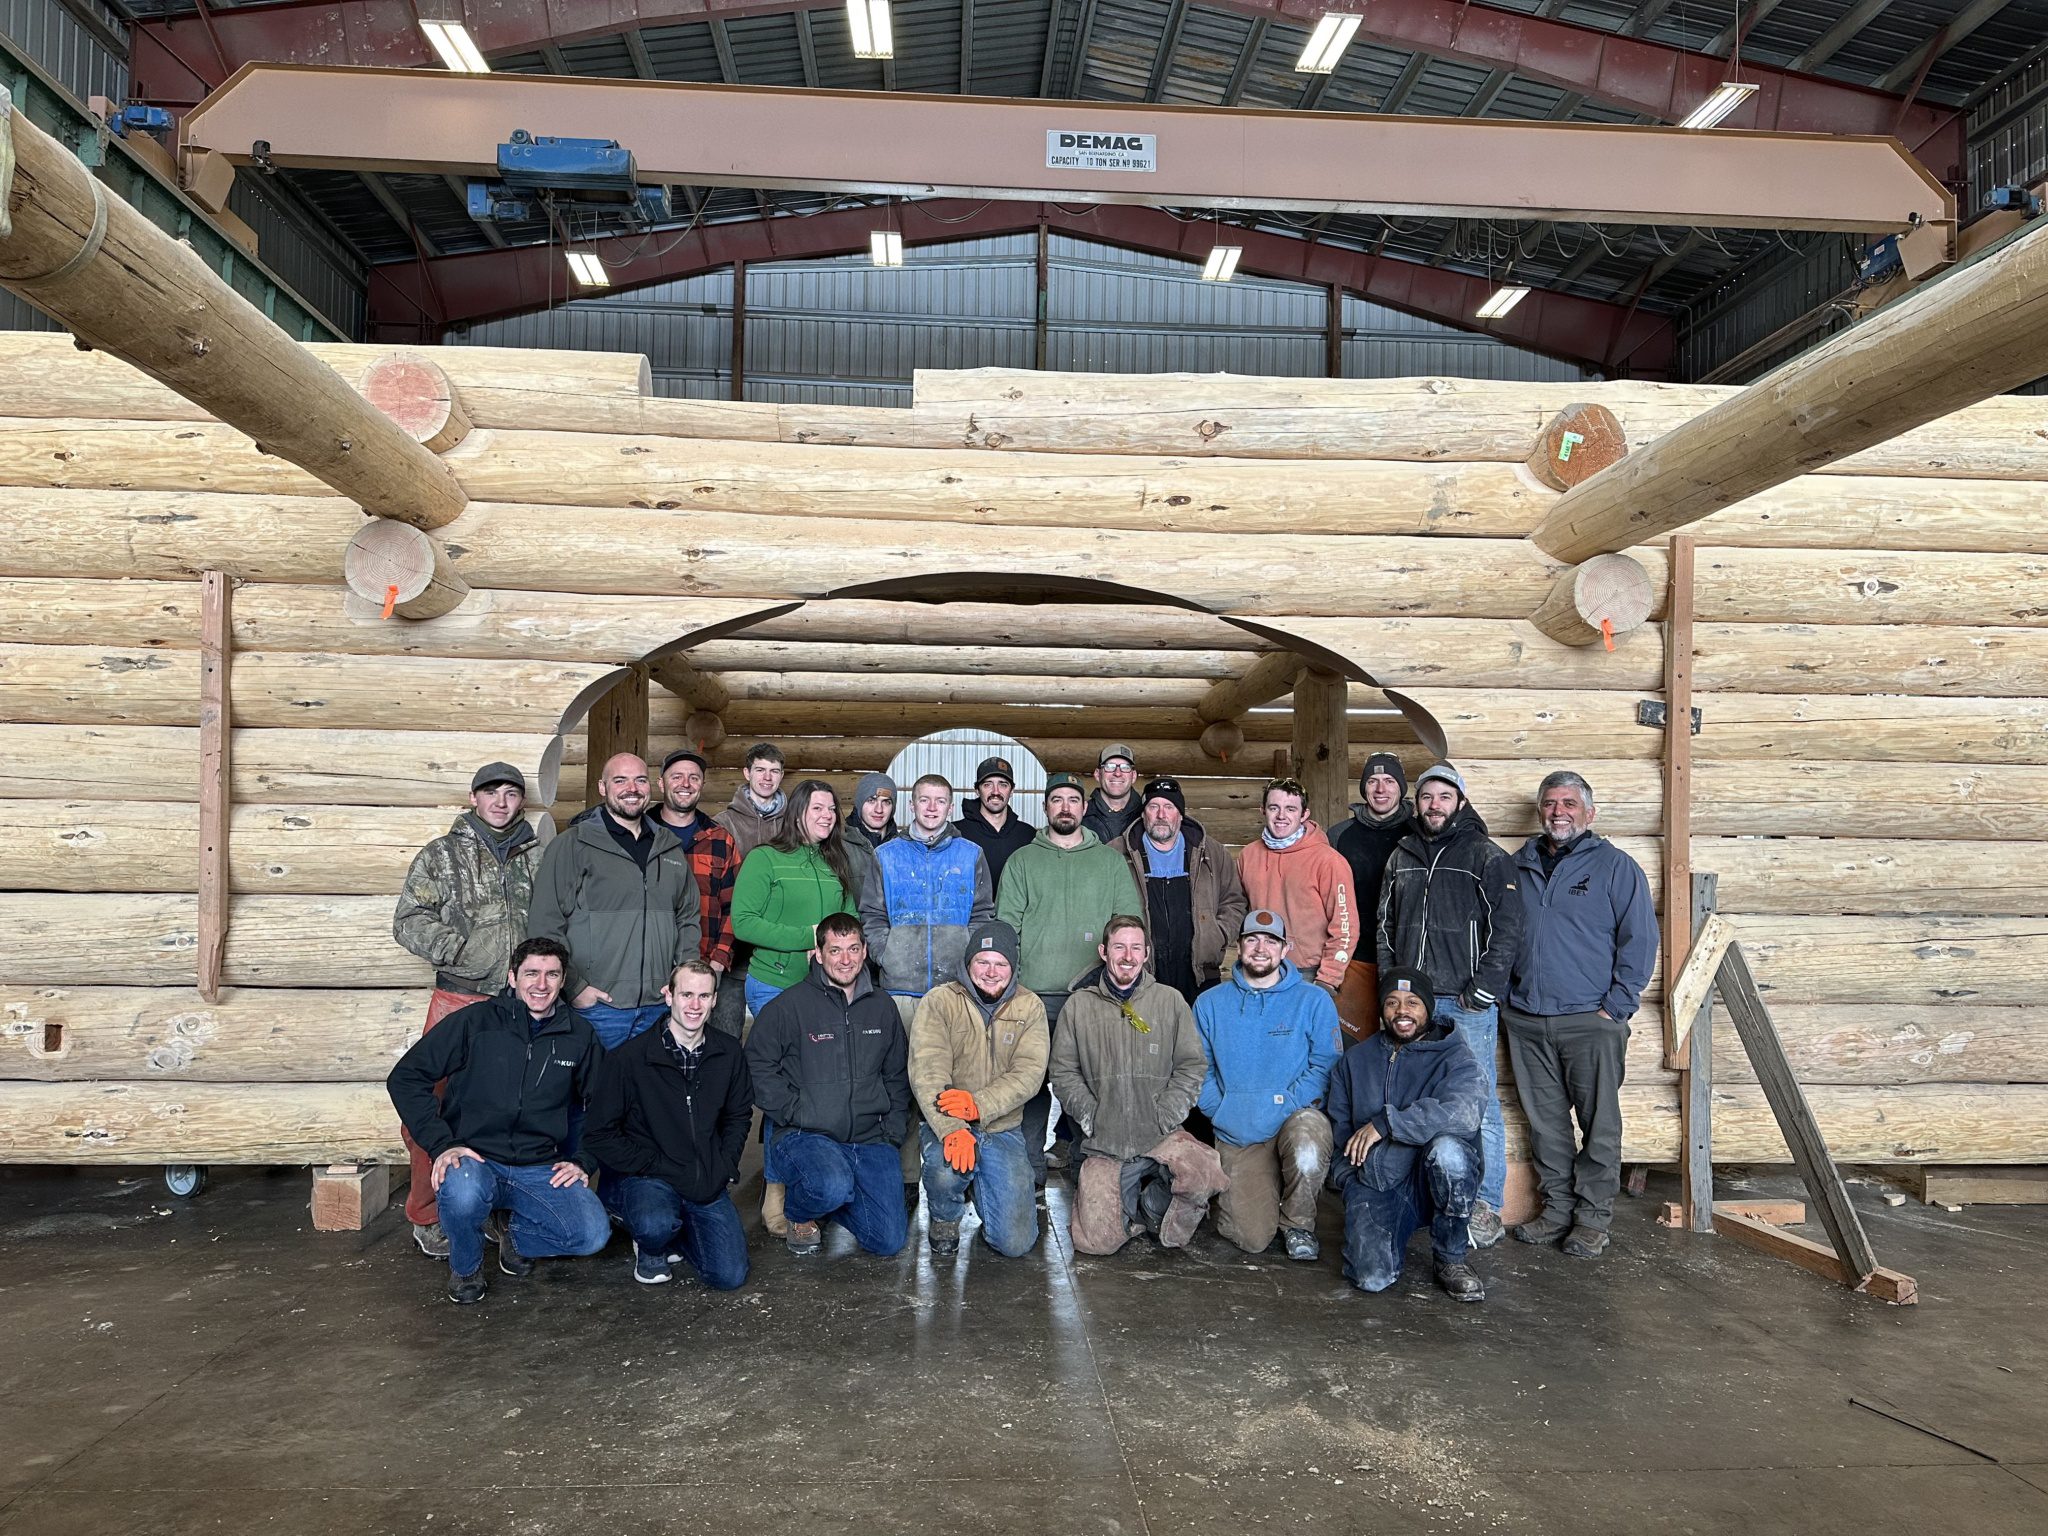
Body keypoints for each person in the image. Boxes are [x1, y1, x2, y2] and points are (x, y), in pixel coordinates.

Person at [386, 937, 609, 1305]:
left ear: (563, 979)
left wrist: (584, 1160)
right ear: (512, 977)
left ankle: (512, 1230)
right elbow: (406, 1078)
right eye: (531, 973)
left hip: (538, 1165)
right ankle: (467, 1265)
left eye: (552, 974)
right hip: (475, 1159)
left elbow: (604, 1103)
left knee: (591, 1234)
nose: (541, 984)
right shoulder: (476, 1022)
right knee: (461, 1191)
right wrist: (442, 1144)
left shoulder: (578, 1035)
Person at [390, 760, 548, 1260]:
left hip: (520, 1005)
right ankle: (429, 1212)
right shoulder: (443, 856)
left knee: (514, 1110)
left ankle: (497, 1210)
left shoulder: (537, 856)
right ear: (474, 798)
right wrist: (461, 951)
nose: (501, 802)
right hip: (459, 997)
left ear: (522, 800)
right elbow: (407, 919)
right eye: (491, 792)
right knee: (430, 1104)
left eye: (511, 793)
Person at [1504, 770, 1656, 1261]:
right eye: (1550, 803)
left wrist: (1615, 1007)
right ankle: (1556, 1211)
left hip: (1590, 1021)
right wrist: (1508, 999)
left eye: (1569, 803)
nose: (1558, 812)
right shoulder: (1517, 865)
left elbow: (1640, 941)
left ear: (1589, 812)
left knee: (1599, 1123)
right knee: (1546, 1125)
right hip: (1527, 1019)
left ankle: (1592, 1219)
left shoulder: (1615, 867)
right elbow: (1498, 936)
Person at [1376, 762, 1522, 1250]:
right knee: (1412, 1093)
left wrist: (1485, 986)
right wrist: (1387, 984)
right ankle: (1424, 1195)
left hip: (1464, 1001)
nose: (1433, 805)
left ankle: (1484, 1203)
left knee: (1474, 1100)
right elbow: (1383, 924)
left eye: (1443, 796)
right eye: (1425, 797)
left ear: (1460, 801)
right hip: (1410, 1000)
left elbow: (1508, 928)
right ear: (1415, 804)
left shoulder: (1485, 855)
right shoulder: (1402, 854)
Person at [997, 771, 1144, 1184]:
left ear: (1084, 807)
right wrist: (1012, 989)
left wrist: (1115, 986)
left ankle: (1090, 1176)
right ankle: (1028, 1179)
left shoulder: (1111, 864)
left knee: (1090, 1088)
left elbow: (1126, 928)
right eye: (1056, 799)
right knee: (1029, 1089)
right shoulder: (1023, 861)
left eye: (1072, 800)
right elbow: (1007, 929)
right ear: (1045, 808)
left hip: (1093, 998)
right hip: (1032, 998)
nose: (1065, 806)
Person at [1050, 917, 1228, 1256]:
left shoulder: (1170, 1001)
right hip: (1106, 1139)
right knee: (1094, 1244)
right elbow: (1063, 1071)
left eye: (1136, 948)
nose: (1127, 956)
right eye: (1119, 947)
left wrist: (1166, 1115)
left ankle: (1151, 1207)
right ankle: (1123, 1206)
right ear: (1104, 951)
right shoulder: (1079, 1006)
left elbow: (1192, 1065)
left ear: (1146, 954)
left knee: (1206, 1172)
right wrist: (1091, 1116)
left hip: (1161, 1135)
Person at [744, 913, 912, 1258]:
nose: (845, 960)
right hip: (808, 1135)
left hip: (870, 1137)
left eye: (853, 948)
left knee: (889, 1240)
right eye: (835, 950)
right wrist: (796, 1110)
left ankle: (834, 1194)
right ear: (818, 954)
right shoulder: (789, 1007)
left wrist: (892, 1130)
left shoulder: (882, 1007)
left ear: (865, 950)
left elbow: (896, 1074)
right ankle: (802, 1208)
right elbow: (756, 1064)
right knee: (829, 1184)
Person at [582, 960, 753, 1289]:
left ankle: (679, 1233)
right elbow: (600, 1134)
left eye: (704, 996)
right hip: (651, 1176)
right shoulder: (628, 1059)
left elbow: (738, 1114)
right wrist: (652, 1163)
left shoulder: (728, 1052)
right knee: (654, 1224)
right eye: (686, 994)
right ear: (668, 995)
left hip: (705, 1176)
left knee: (729, 1276)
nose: (694, 1005)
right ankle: (650, 1242)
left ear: (715, 1000)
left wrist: (726, 1163)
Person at [1328, 967, 1487, 1302]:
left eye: (1413, 1002)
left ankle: (1451, 1257)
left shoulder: (1456, 1055)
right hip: (1380, 1182)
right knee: (1370, 1278)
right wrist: (1349, 1181)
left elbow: (1463, 1114)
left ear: (1428, 1008)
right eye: (1392, 1002)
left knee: (1449, 1153)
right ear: (1383, 1010)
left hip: (1432, 1180)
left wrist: (1387, 1124)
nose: (1402, 1011)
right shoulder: (1355, 1061)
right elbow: (1338, 1125)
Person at [527, 752, 702, 1051]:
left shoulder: (669, 848)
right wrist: (575, 987)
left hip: (658, 1007)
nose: (631, 788)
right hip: (598, 1008)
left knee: (649, 1095)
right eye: (620, 780)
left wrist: (682, 980)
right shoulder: (573, 844)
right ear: (602, 787)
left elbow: (687, 918)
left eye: (639, 780)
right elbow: (545, 923)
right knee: (593, 1095)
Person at [1193, 910, 1339, 1260]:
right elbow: (1198, 1069)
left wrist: (1282, 1105)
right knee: (1251, 1237)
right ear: (1239, 946)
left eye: (1271, 941)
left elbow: (1325, 1066)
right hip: (1238, 1129)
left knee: (1307, 1143)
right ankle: (1264, 1187)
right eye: (1252, 939)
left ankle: (1298, 1224)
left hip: (1292, 1120)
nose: (1261, 948)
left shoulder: (1313, 1000)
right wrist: (1223, 1111)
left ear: (1285, 948)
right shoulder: (1210, 1004)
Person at [906, 920, 1047, 1257]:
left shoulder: (1030, 1007)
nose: (991, 972)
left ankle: (984, 1187)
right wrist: (951, 1127)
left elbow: (1029, 1073)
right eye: (982, 962)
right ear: (968, 964)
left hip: (1002, 1128)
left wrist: (978, 1104)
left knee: (1014, 1244)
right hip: (949, 1123)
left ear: (1013, 969)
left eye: (1001, 964)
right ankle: (945, 1216)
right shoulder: (939, 1002)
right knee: (944, 1169)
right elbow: (927, 1070)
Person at [730, 779, 859, 1021]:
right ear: (798, 814)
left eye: (832, 809)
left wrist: (833, 947)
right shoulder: (764, 858)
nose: (828, 815)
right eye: (818, 808)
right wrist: (811, 937)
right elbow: (743, 922)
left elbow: (850, 918)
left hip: (826, 986)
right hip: (775, 984)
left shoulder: (835, 861)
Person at [1118, 776, 1246, 1006]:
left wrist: (1217, 935)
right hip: (1141, 972)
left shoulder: (1212, 853)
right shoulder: (1118, 853)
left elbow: (1234, 901)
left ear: (1180, 814)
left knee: (1195, 1039)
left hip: (1199, 974)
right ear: (1143, 813)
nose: (1161, 814)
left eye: (1169, 807)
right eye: (1153, 806)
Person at [651, 748, 744, 1039]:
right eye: (676, 776)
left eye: (694, 777)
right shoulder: (640, 833)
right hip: (651, 970)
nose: (685, 783)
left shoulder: (720, 839)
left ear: (702, 784)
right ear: (661, 783)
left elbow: (735, 906)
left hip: (707, 970)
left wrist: (717, 960)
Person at [1236, 777, 1357, 997]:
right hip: (1259, 969)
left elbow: (1345, 925)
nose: (1281, 816)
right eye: (1274, 807)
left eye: (1290, 809)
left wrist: (1328, 980)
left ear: (1304, 814)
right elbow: (1238, 911)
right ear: (1262, 810)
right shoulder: (1248, 856)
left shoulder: (1328, 861)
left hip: (1308, 975)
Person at [1326, 753, 1411, 1041]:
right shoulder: (1340, 835)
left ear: (1401, 788)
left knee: (1404, 1041)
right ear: (1363, 788)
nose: (1380, 789)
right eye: (1373, 781)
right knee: (1352, 1043)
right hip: (1355, 959)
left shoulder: (1418, 833)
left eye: (1389, 781)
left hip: (1406, 957)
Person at [954, 755, 1036, 894]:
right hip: (970, 915)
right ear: (977, 790)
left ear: (1012, 791)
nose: (995, 791)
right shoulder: (956, 833)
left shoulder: (1028, 835)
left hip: (1014, 915)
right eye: (988, 784)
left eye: (1003, 784)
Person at [715, 741, 790, 861]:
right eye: (760, 770)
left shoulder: (793, 822)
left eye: (774, 771)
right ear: (747, 773)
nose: (767, 777)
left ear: (781, 776)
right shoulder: (723, 823)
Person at [1082, 744, 1142, 844]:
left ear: (1134, 776)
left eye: (1125, 767)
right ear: (1097, 774)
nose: (1117, 773)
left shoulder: (1146, 814)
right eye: (1109, 766)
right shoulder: (1082, 815)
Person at [845, 771, 899, 856]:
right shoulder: (838, 845)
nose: (879, 810)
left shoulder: (901, 848)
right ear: (859, 803)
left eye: (886, 802)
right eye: (871, 801)